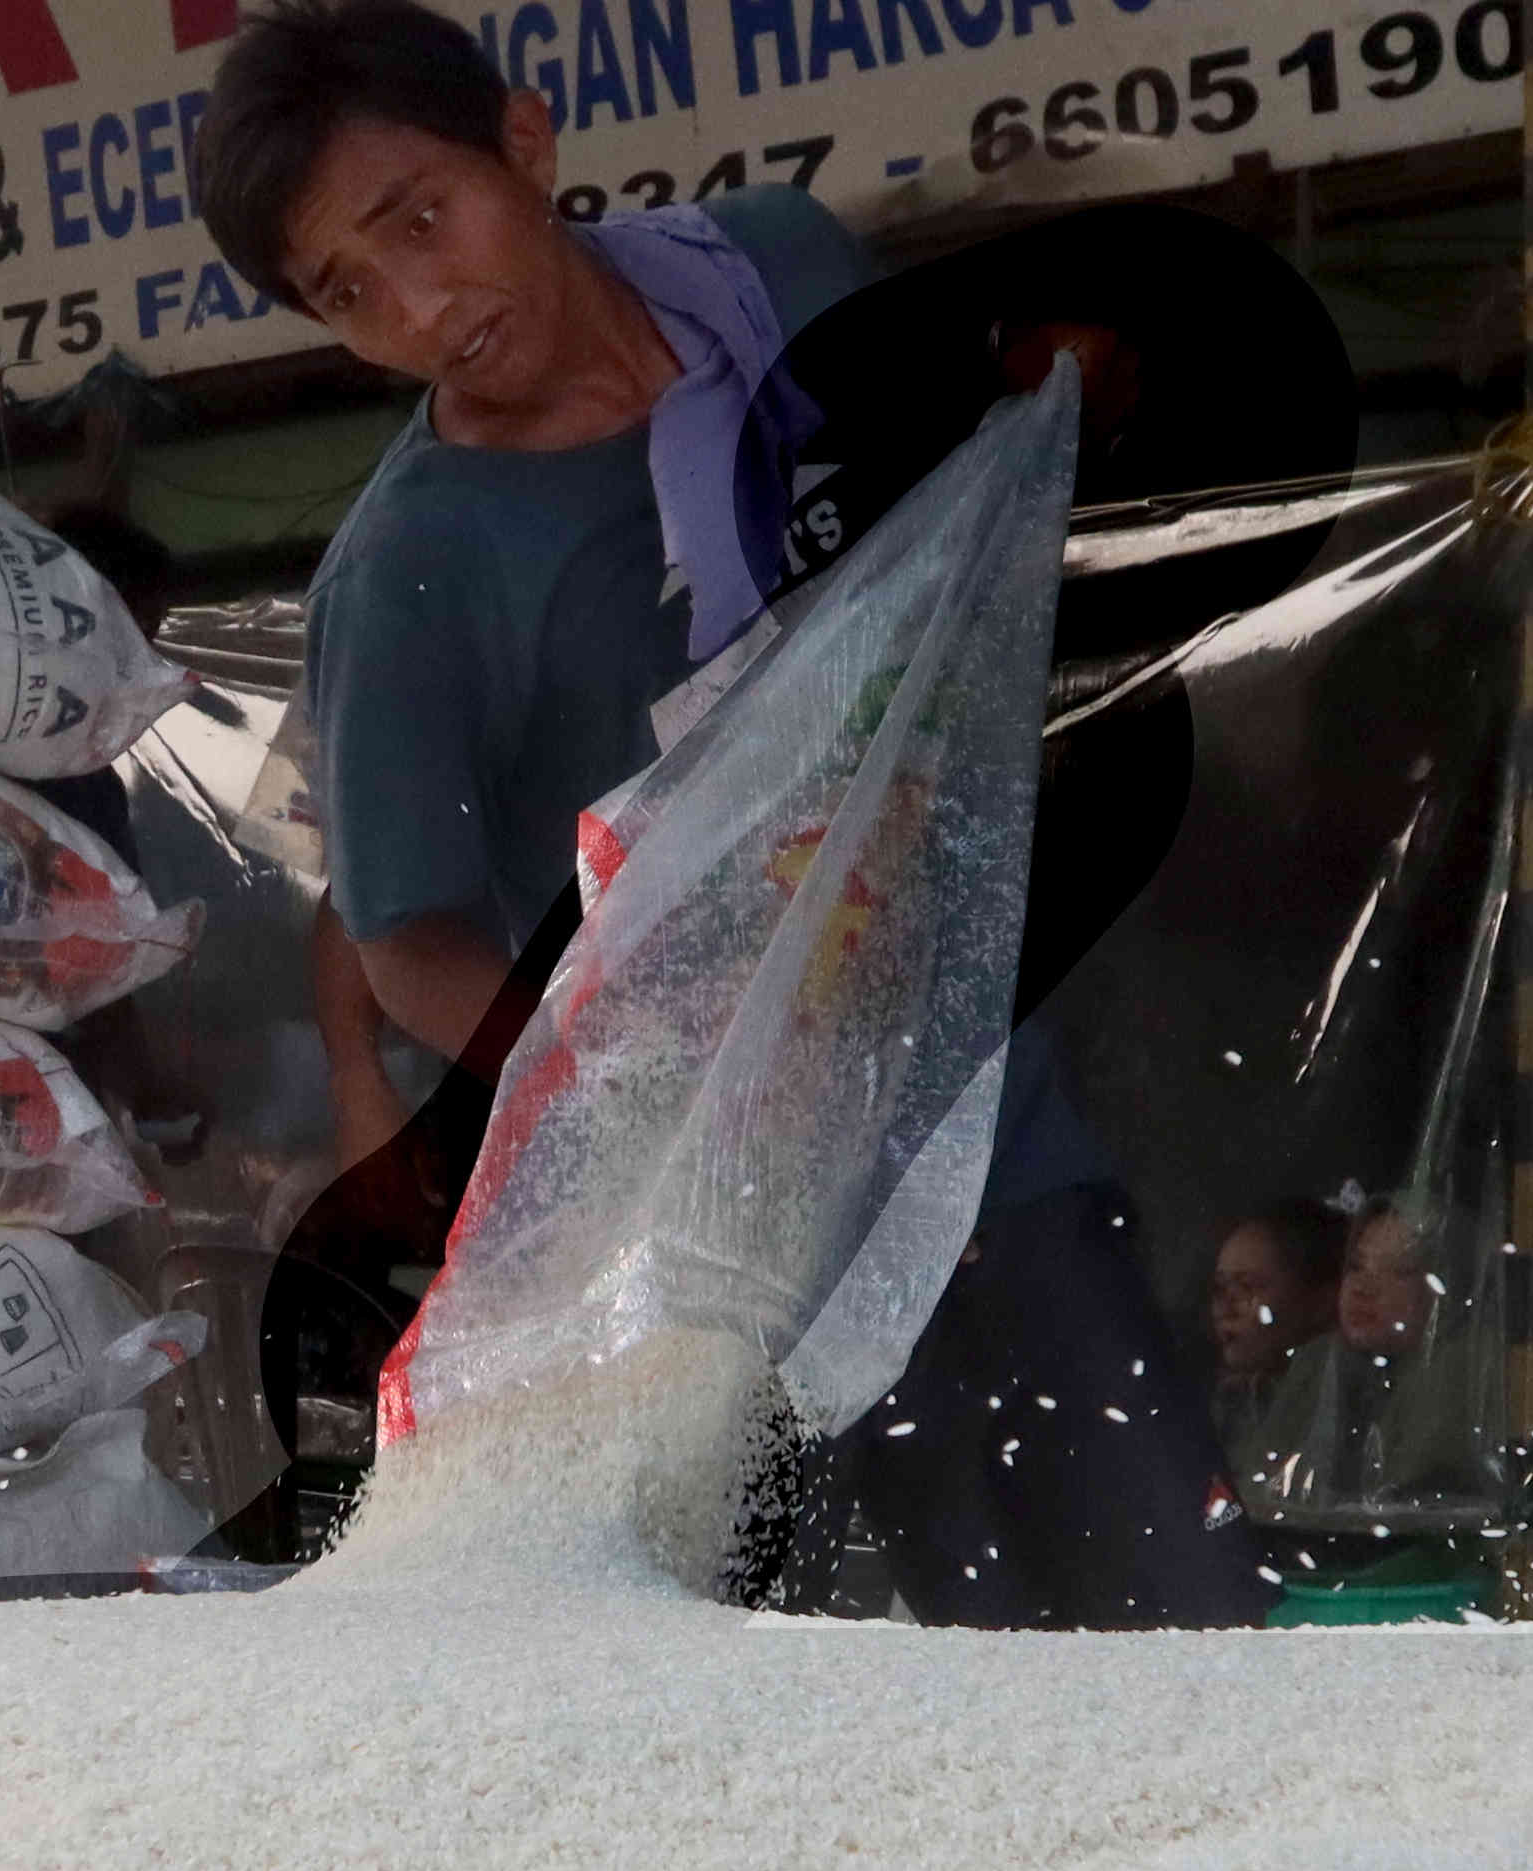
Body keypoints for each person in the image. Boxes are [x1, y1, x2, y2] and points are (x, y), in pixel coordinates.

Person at [197, 0, 1263, 1625]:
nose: (419, 304)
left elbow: (951, 472)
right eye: (348, 290)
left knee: (1170, 1608)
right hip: (730, 1243)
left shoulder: (774, 277)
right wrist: (633, 1129)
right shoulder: (415, 574)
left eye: (423, 216)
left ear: (526, 141)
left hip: (986, 1112)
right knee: (878, 1689)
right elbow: (407, 936)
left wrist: (1062, 394)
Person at [1207, 1197, 1344, 1504]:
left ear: (1320, 1301)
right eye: (1219, 1288)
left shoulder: (1336, 1395)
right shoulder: (1230, 1401)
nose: (1224, 1308)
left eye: (1247, 1287)